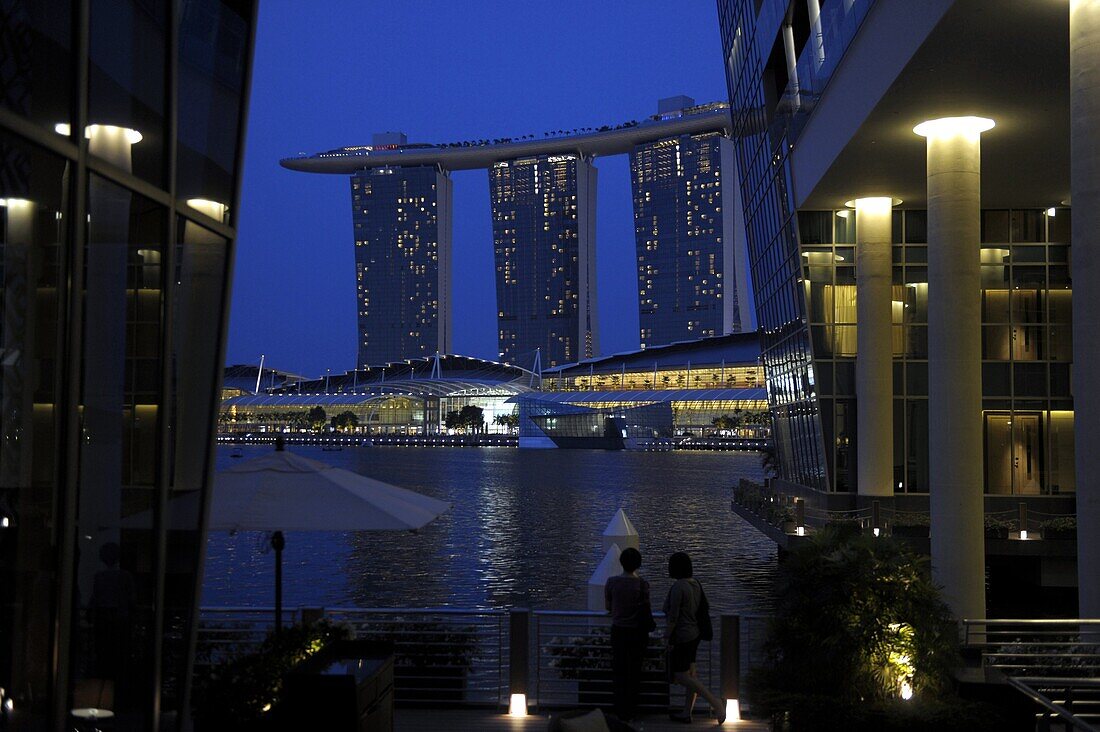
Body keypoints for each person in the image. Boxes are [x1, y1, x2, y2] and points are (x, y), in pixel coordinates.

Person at [663, 551, 725, 724]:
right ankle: (686, 712)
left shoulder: (678, 587)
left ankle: (715, 703)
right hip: (695, 634)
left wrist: (666, 636)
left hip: (682, 635)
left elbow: (673, 616)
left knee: (682, 676)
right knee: (691, 674)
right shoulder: (695, 584)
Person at [604, 547, 654, 722]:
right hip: (638, 634)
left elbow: (608, 607)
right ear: (638, 564)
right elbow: (647, 608)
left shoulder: (611, 582)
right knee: (635, 671)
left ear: (621, 562)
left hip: (618, 631)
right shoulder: (643, 584)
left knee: (619, 670)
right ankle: (632, 710)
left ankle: (619, 710)